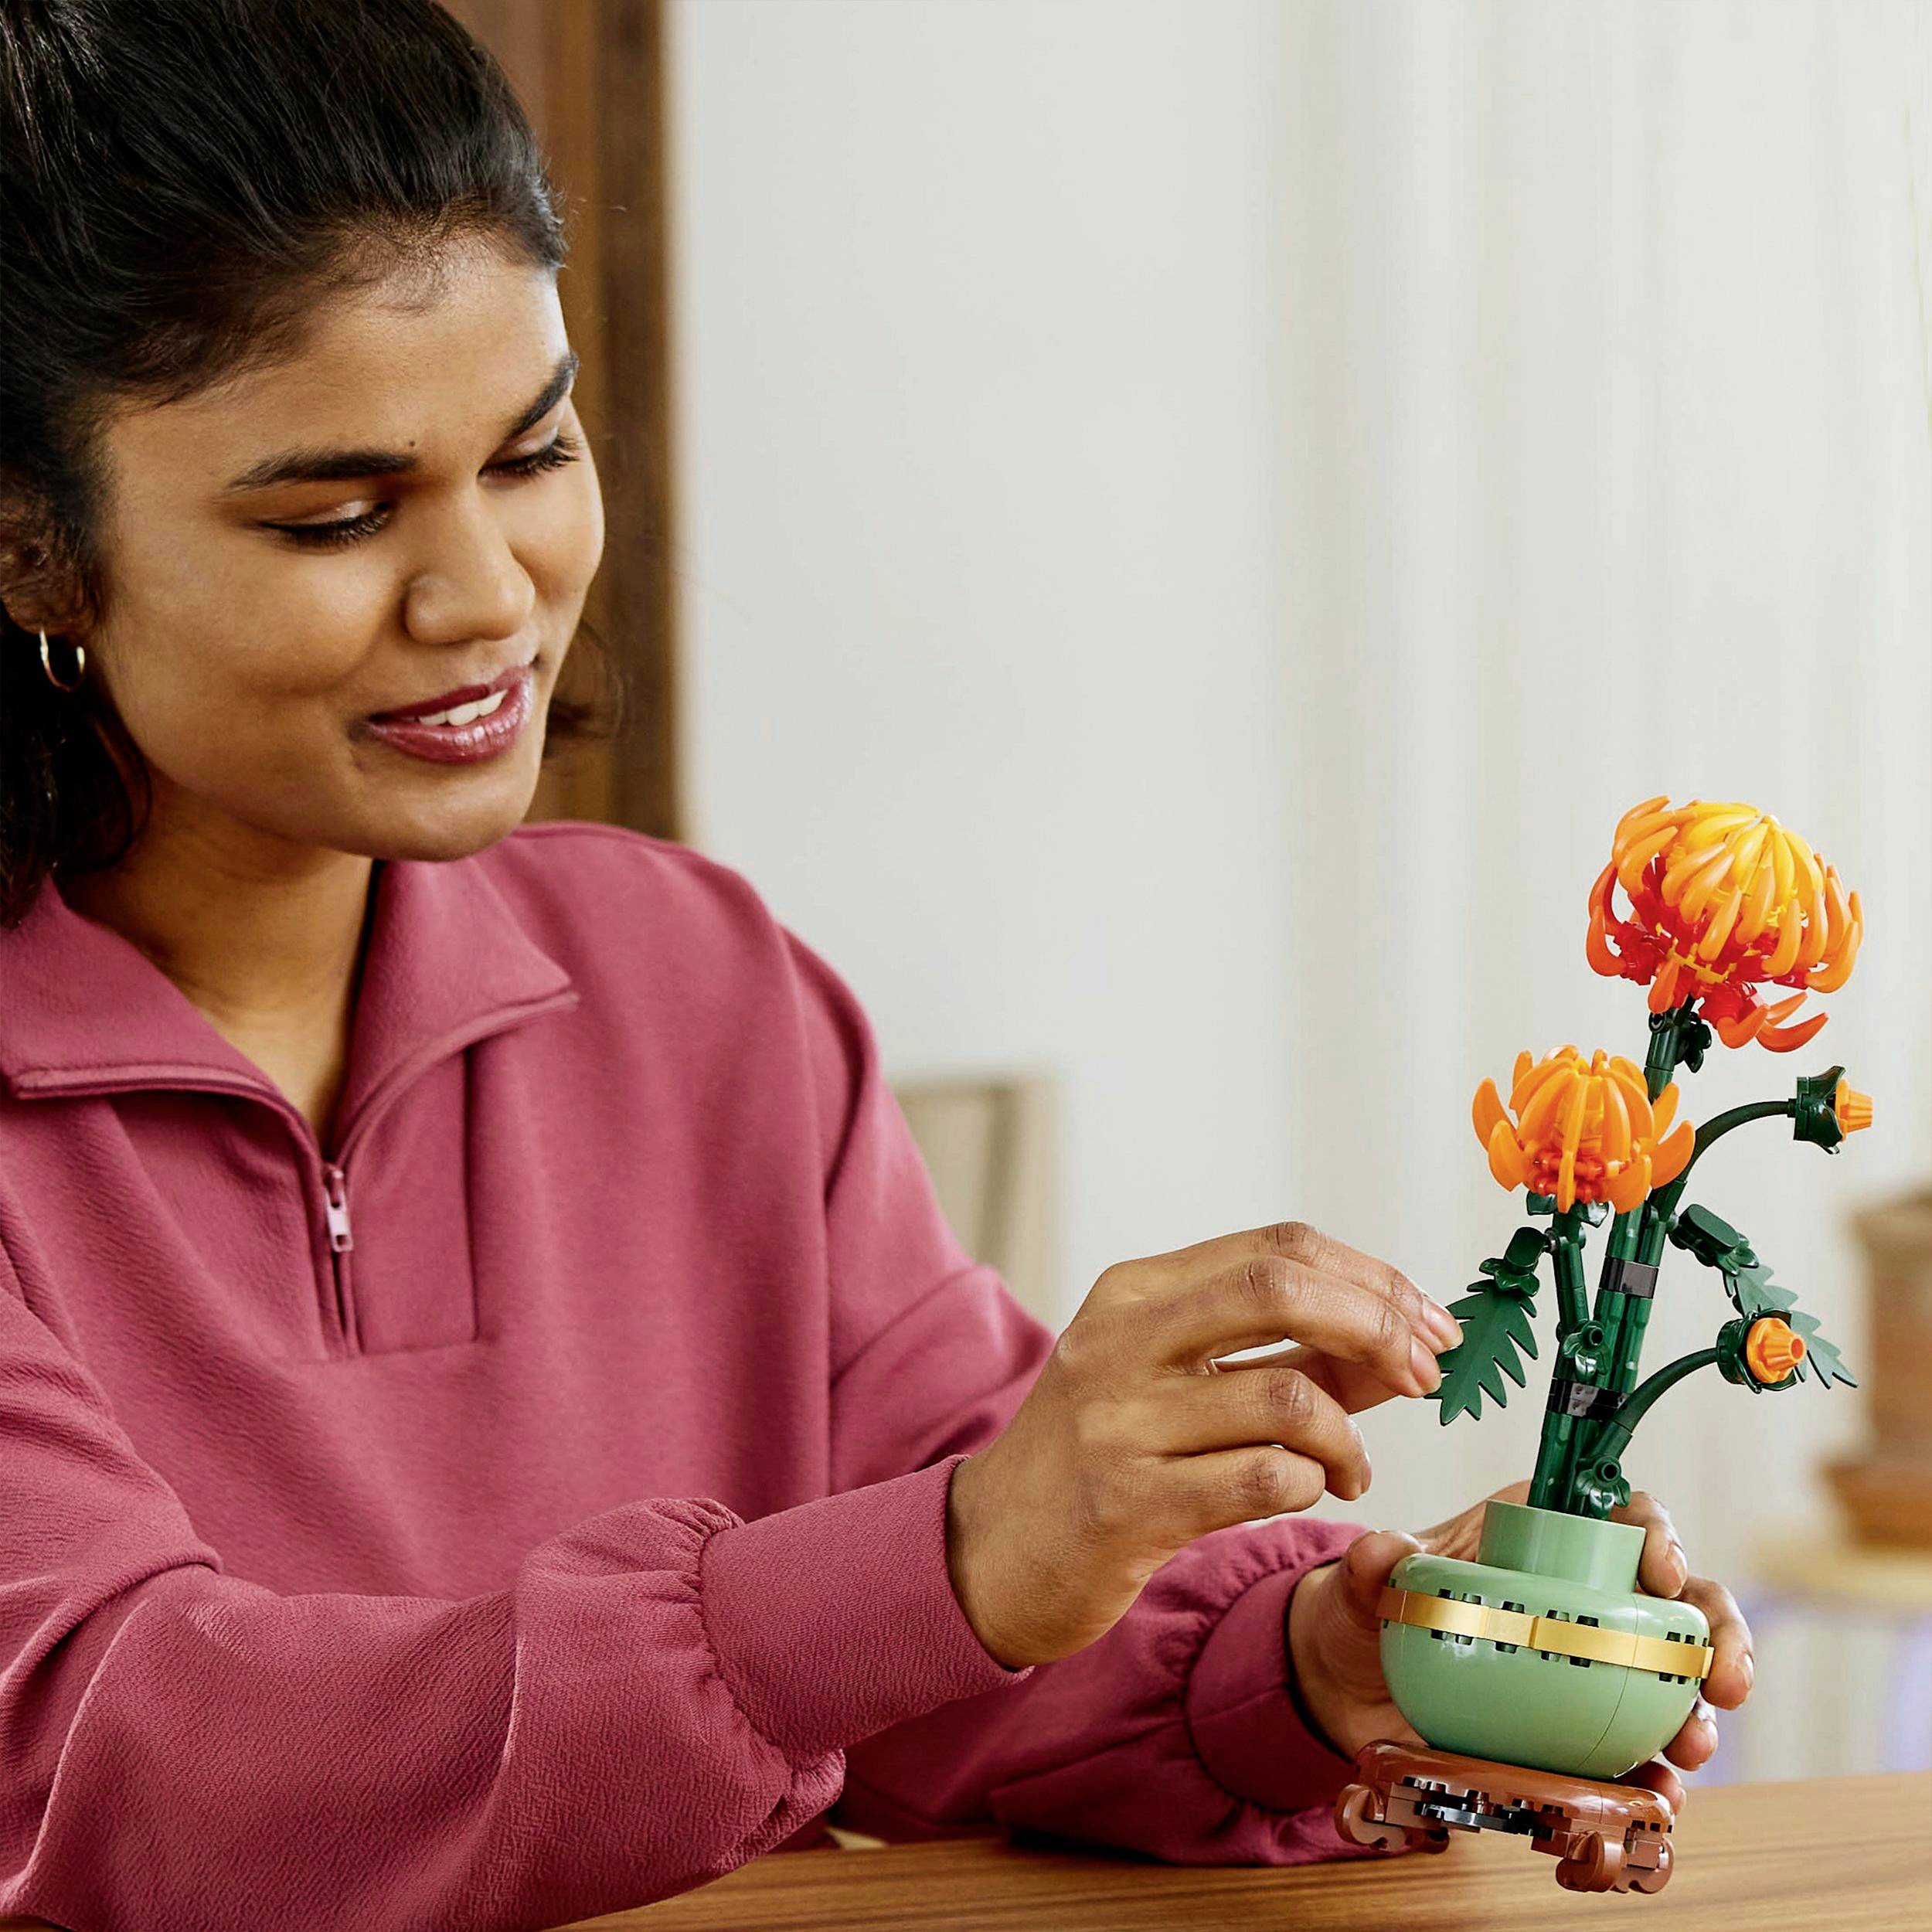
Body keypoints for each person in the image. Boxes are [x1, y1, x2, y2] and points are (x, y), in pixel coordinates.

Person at [0, 4, 1752, 1927]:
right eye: (335, 514)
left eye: (533, 451)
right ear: (32, 551)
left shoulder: (692, 981)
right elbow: (125, 1752)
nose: (488, 591)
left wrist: (1313, 1665)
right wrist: (948, 1556)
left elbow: (955, 1604)